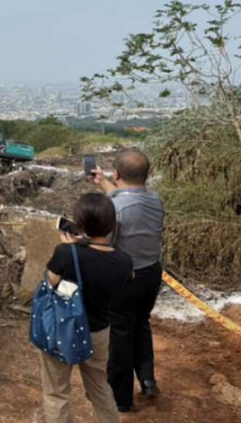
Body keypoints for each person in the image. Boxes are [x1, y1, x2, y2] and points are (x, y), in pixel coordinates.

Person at [40, 193, 133, 423]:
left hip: (64, 329)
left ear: (78, 225)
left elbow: (50, 282)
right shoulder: (124, 260)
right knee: (99, 387)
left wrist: (69, 249)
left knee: (56, 392)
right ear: (112, 226)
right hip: (99, 331)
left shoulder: (66, 253)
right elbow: (116, 276)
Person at [91, 149, 165, 412]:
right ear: (148, 175)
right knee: (141, 324)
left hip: (125, 280)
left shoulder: (114, 208)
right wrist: (102, 181)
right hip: (151, 274)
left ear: (117, 173)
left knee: (120, 336)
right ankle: (147, 380)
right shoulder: (155, 200)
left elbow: (105, 241)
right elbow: (126, 197)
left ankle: (120, 400)